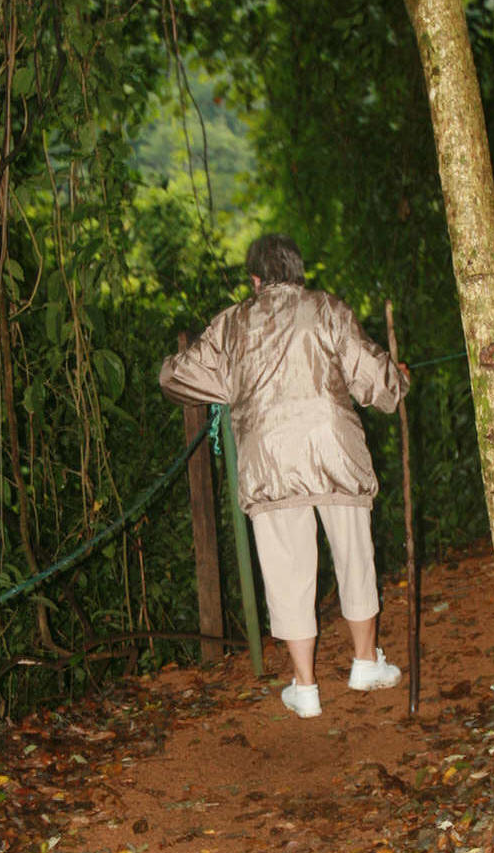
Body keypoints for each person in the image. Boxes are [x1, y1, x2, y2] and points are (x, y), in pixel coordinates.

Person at [159, 233, 409, 718]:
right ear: (298, 272)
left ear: (255, 280)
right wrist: (398, 378)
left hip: (270, 457)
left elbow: (174, 377)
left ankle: (306, 686)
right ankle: (364, 663)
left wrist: (228, 382)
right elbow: (374, 381)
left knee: (287, 569)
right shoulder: (327, 309)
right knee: (355, 554)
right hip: (334, 450)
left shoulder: (233, 324)